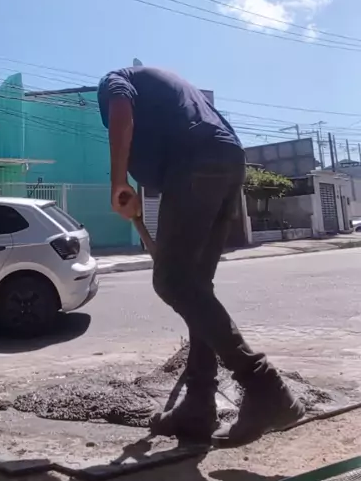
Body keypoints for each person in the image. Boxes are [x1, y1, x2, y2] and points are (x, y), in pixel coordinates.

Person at [97, 65, 305, 447]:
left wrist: (116, 181)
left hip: (195, 160)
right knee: (196, 290)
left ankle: (264, 386)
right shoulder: (166, 96)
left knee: (172, 280)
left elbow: (121, 108)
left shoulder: (114, 80)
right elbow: (156, 145)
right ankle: (198, 404)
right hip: (227, 158)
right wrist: (134, 194)